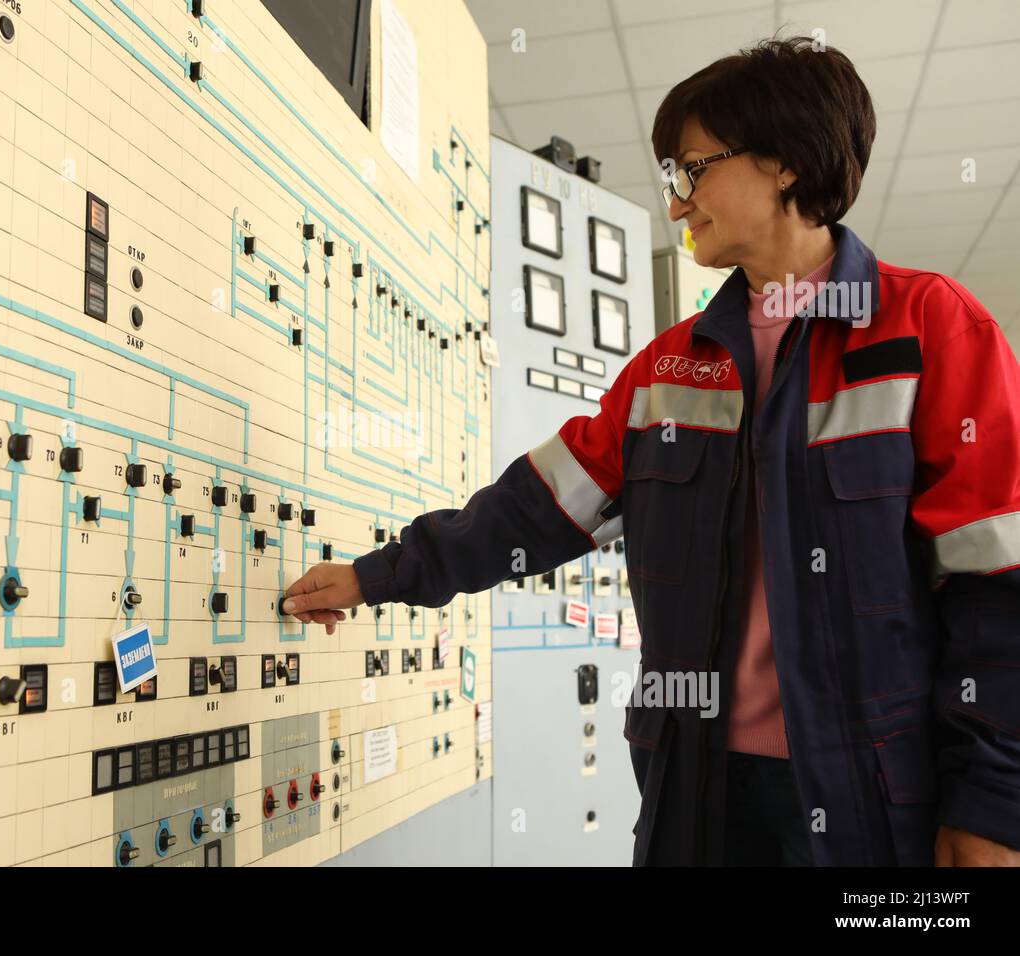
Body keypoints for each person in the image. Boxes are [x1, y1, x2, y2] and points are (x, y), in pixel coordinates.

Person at [280, 37, 1020, 867]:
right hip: (696, 799)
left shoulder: (931, 330)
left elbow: (996, 592)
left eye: (693, 171)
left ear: (782, 162)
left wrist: (994, 802)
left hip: (876, 808)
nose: (675, 205)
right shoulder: (668, 369)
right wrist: (381, 575)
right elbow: (536, 509)